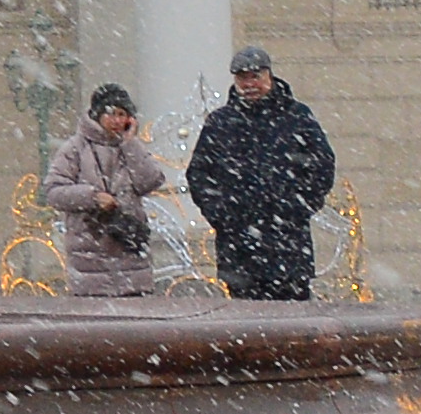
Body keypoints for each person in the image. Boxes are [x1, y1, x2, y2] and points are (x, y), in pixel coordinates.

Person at [186, 45, 339, 302]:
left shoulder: (297, 117)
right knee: (245, 328)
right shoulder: (220, 122)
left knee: (292, 326)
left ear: (269, 75)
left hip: (288, 248)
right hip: (239, 249)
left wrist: (296, 208)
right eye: (242, 78)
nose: (249, 84)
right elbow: (200, 174)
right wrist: (223, 215)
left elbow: (322, 166)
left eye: (255, 76)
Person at [43, 83, 169, 299]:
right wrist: (91, 197)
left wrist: (131, 144)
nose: (117, 121)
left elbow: (151, 181)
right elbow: (54, 192)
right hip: (90, 257)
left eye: (123, 114)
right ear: (97, 114)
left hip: (129, 254)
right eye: (111, 113)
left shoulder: (130, 148)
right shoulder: (75, 148)